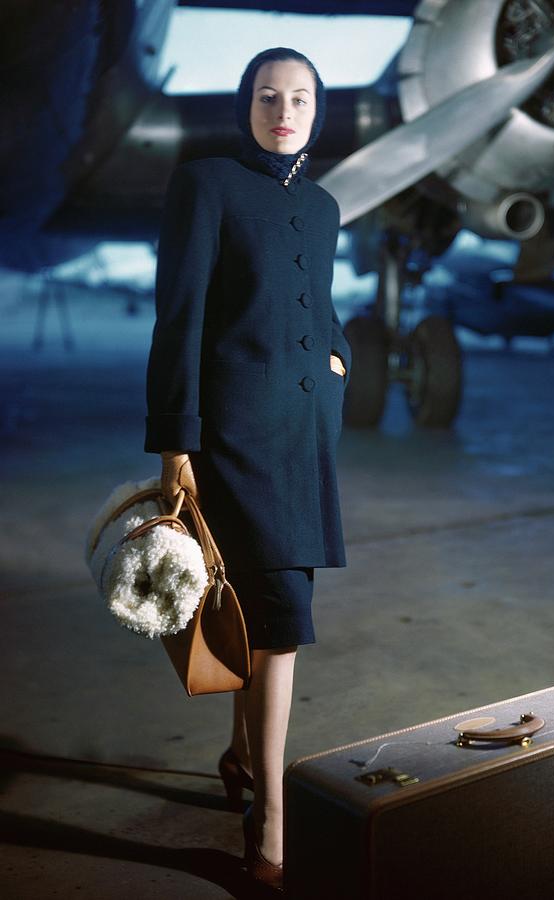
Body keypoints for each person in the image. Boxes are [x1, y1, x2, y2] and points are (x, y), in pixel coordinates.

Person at [143, 47, 351, 892]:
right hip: (232, 441)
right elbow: (180, 319)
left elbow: (322, 305)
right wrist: (174, 444)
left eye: (300, 97)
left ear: (316, 109)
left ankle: (237, 756)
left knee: (264, 605)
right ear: (247, 104)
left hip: (305, 436)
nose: (284, 109)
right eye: (269, 95)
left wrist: (340, 359)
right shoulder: (207, 184)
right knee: (282, 618)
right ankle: (269, 820)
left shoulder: (328, 205)